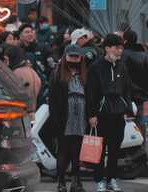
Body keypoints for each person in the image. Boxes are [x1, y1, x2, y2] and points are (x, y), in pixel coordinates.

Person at [86, 34, 138, 192]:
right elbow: (91, 92)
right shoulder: (96, 67)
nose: (119, 50)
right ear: (107, 48)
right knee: (99, 149)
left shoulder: (122, 66)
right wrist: (91, 114)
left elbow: (127, 90)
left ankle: (111, 179)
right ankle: (100, 180)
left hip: (118, 113)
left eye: (121, 47)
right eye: (116, 47)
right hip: (101, 113)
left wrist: (127, 109)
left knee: (115, 149)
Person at [49, 44, 89, 192]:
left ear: (81, 58)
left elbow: (90, 95)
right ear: (65, 56)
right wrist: (55, 121)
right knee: (63, 151)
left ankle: (76, 182)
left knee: (77, 152)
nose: (73, 58)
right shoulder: (57, 74)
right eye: (71, 56)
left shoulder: (84, 74)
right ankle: (61, 183)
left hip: (80, 118)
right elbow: (52, 100)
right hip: (64, 118)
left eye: (76, 56)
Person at [121, 30, 148, 137]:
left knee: (124, 124)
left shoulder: (122, 55)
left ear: (125, 40)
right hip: (141, 97)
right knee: (139, 123)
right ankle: (140, 147)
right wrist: (146, 94)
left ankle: (126, 149)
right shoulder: (146, 57)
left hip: (124, 97)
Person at [4, 45, 41, 116]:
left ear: (13, 58)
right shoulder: (32, 71)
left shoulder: (16, 73)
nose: (5, 63)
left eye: (6, 60)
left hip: (18, 114)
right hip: (31, 112)